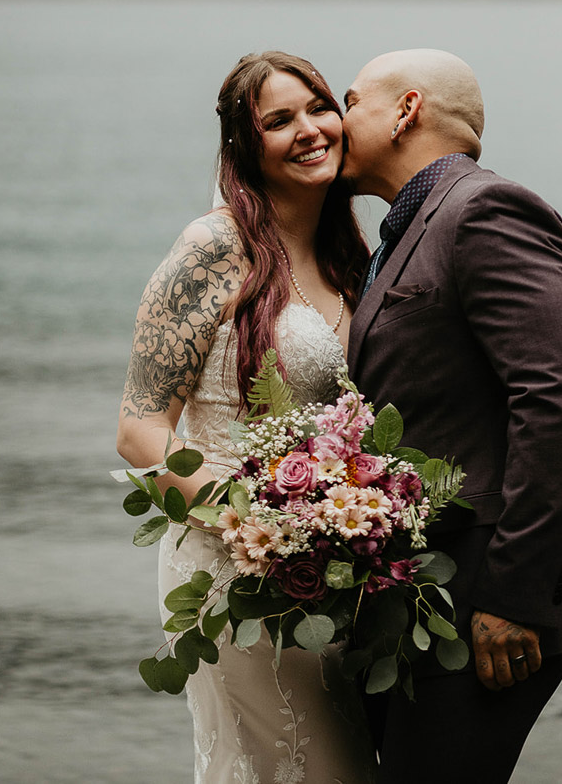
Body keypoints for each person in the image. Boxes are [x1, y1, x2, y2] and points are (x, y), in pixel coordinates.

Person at [341, 48, 562, 783]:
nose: (337, 124)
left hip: (487, 605)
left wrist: (514, 597)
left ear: (405, 110)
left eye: (350, 102)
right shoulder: (404, 233)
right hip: (427, 595)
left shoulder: (484, 210)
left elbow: (561, 395)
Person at [116, 51, 376, 784]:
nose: (309, 129)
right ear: (243, 145)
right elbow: (139, 431)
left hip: (333, 570)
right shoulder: (212, 246)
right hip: (234, 572)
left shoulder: (349, 257)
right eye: (278, 119)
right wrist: (257, 532)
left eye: (317, 108)